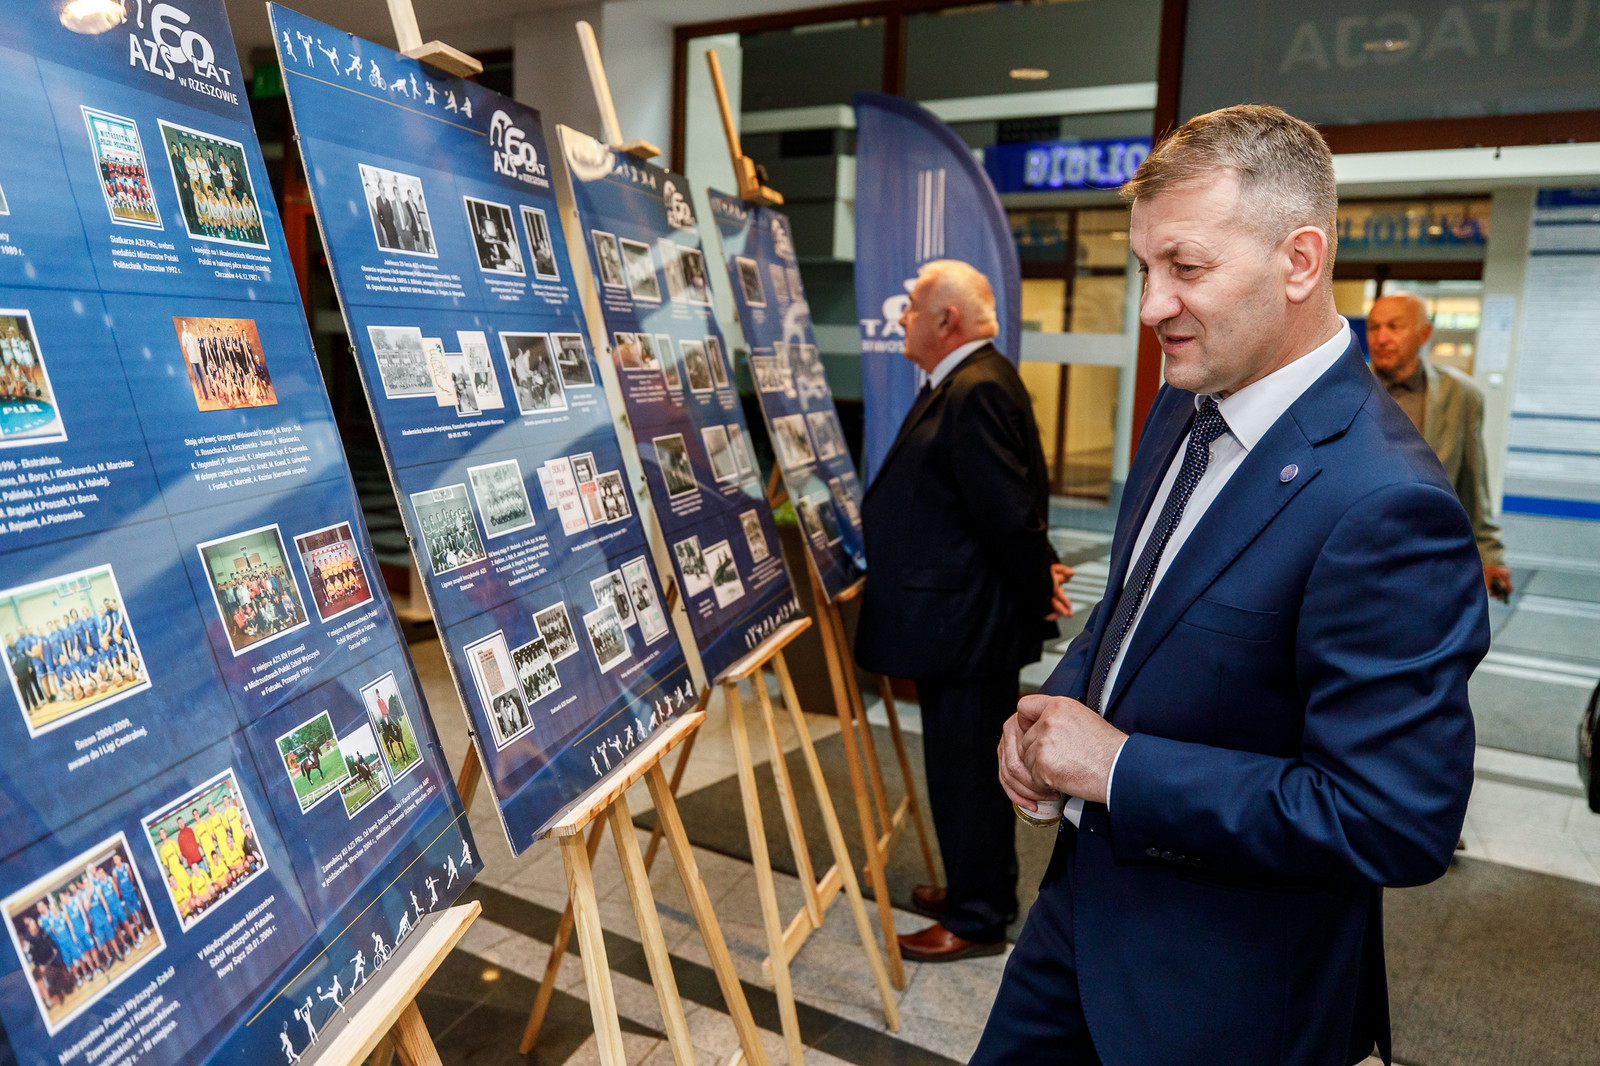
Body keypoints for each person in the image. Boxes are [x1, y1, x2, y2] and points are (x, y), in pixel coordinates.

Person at [978, 105, 1488, 1065]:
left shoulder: (1388, 503)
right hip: (1078, 920)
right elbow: (1139, 605)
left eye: (1186, 267)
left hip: (1224, 995)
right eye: (1145, 267)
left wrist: (1117, 769)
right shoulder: (1186, 406)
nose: (1151, 307)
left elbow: (1393, 820)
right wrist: (1055, 709)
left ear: (1300, 261)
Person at [854, 259, 1072, 961]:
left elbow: (1008, 514)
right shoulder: (966, 381)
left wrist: (1038, 585)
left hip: (969, 630)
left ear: (945, 319)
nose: (901, 317)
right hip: (958, 625)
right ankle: (969, 890)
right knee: (957, 770)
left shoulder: (976, 387)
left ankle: (978, 917)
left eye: (911, 307)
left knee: (971, 777)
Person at [1367, 292, 1511, 602]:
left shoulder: (1461, 395)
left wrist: (1490, 553)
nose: (1381, 338)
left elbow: (1473, 484)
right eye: (1374, 327)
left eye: (1394, 327)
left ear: (1424, 334)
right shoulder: (1346, 389)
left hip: (1428, 560)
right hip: (1359, 554)